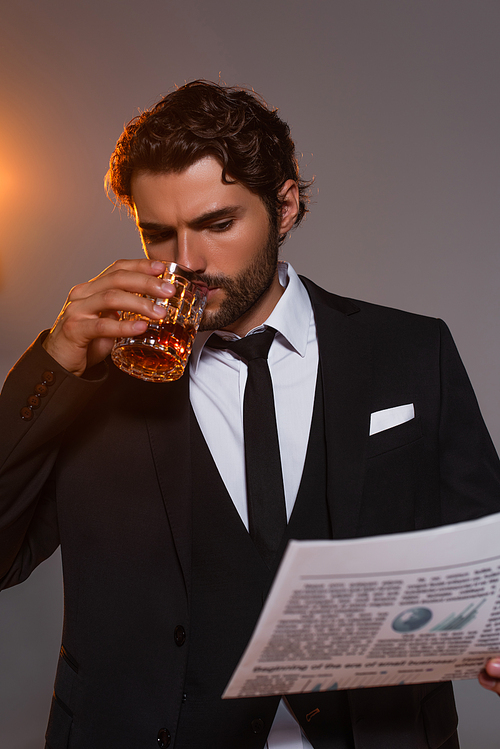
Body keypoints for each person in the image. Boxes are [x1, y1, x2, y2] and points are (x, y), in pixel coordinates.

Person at [1, 80, 500, 749]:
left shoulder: (411, 351)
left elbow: (485, 549)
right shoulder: (95, 381)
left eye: (216, 224)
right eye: (158, 233)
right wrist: (56, 358)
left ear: (285, 205)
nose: (185, 262)